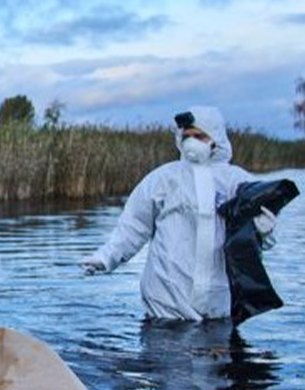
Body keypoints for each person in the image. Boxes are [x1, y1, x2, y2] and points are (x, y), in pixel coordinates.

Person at [79, 106, 277, 321]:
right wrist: (106, 257)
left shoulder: (237, 181)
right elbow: (133, 227)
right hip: (165, 305)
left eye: (199, 136)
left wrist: (264, 232)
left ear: (216, 138)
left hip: (219, 305)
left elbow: (256, 241)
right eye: (186, 136)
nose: (191, 141)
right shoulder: (163, 178)